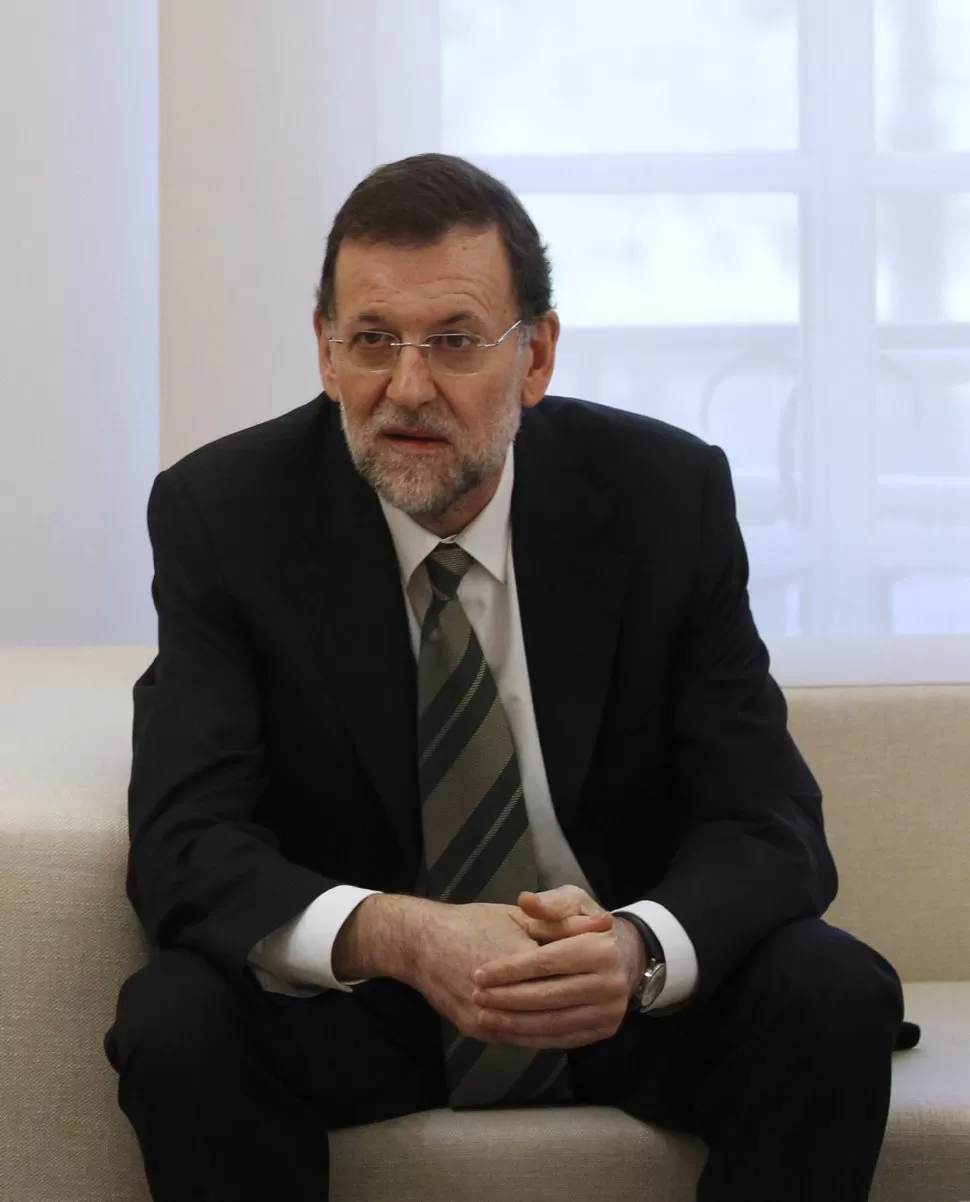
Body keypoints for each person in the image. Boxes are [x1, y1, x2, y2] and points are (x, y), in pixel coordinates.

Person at [104, 153, 915, 1202]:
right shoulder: (225, 514)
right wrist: (403, 935)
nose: (407, 387)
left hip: (614, 994)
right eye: (372, 340)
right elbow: (185, 842)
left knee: (832, 989)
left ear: (535, 356)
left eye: (454, 341)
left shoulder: (665, 496)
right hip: (376, 1002)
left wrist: (633, 949)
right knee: (175, 1020)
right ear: (324, 352)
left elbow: (769, 822)